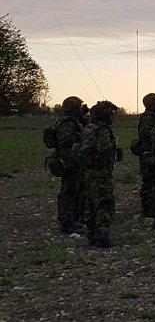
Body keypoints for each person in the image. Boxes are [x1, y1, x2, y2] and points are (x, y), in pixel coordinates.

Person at [78, 100, 121, 248]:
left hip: (88, 172)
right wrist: (113, 150)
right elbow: (103, 149)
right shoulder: (103, 130)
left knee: (90, 203)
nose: (113, 118)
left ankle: (91, 235)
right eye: (112, 114)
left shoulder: (88, 128)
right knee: (105, 203)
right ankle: (102, 238)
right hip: (101, 173)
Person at [49, 95, 87, 233]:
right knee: (69, 192)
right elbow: (65, 142)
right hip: (69, 161)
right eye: (79, 107)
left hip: (74, 160)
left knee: (77, 190)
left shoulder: (74, 122)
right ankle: (66, 222)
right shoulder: (67, 123)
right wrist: (81, 137)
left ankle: (74, 219)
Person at [134, 92, 155, 217]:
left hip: (153, 152)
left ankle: (153, 206)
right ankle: (148, 208)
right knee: (149, 181)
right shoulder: (148, 118)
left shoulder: (154, 116)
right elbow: (146, 136)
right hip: (148, 153)